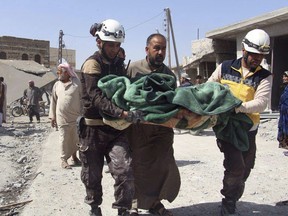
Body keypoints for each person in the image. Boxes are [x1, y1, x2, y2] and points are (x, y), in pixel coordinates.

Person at [207, 29, 272, 215]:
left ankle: (234, 190)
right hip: (227, 128)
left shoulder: (265, 76)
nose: (257, 59)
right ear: (244, 50)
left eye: (261, 56)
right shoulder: (225, 67)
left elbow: (261, 103)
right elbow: (210, 86)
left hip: (249, 129)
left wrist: (237, 106)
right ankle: (228, 202)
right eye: (254, 55)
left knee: (246, 167)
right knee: (236, 166)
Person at [79, 19, 135, 216]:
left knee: (124, 171)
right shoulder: (91, 64)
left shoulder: (119, 65)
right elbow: (95, 97)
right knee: (92, 175)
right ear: (99, 42)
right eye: (110, 44)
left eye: (117, 45)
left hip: (116, 129)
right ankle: (95, 208)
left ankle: (123, 210)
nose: (114, 49)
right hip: (93, 129)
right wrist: (122, 113)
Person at [126, 33, 180, 216]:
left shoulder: (169, 75)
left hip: (162, 130)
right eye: (156, 47)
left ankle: (154, 203)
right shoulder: (134, 69)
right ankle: (132, 203)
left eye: (163, 48)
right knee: (135, 165)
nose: (160, 52)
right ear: (147, 49)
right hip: (138, 129)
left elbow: (174, 101)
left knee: (160, 166)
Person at [49, 63, 82, 169]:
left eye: (60, 72)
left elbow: (82, 98)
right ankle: (63, 160)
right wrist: (52, 116)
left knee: (75, 138)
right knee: (64, 139)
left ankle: (75, 157)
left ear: (67, 72)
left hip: (76, 117)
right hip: (62, 117)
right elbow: (53, 101)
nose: (58, 74)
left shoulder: (76, 83)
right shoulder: (56, 85)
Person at [277, 70, 288, 150]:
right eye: (283, 76)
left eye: (286, 76)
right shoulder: (284, 88)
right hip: (284, 114)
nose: (283, 78)